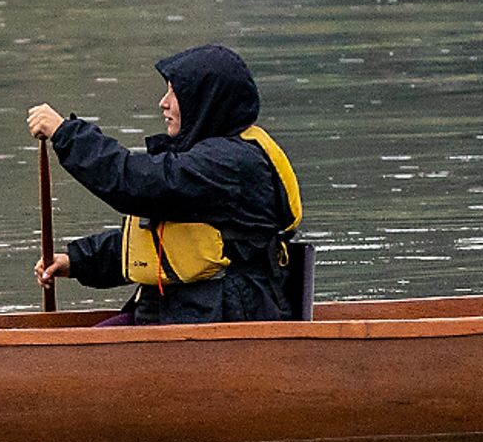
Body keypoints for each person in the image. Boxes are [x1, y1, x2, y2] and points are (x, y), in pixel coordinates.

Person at [26, 45, 306, 326]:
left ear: (204, 100)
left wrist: (65, 134)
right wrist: (76, 261)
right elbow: (159, 242)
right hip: (180, 311)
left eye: (175, 92)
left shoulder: (229, 164)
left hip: (222, 321)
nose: (164, 102)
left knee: (76, 362)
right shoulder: (205, 157)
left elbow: (133, 183)